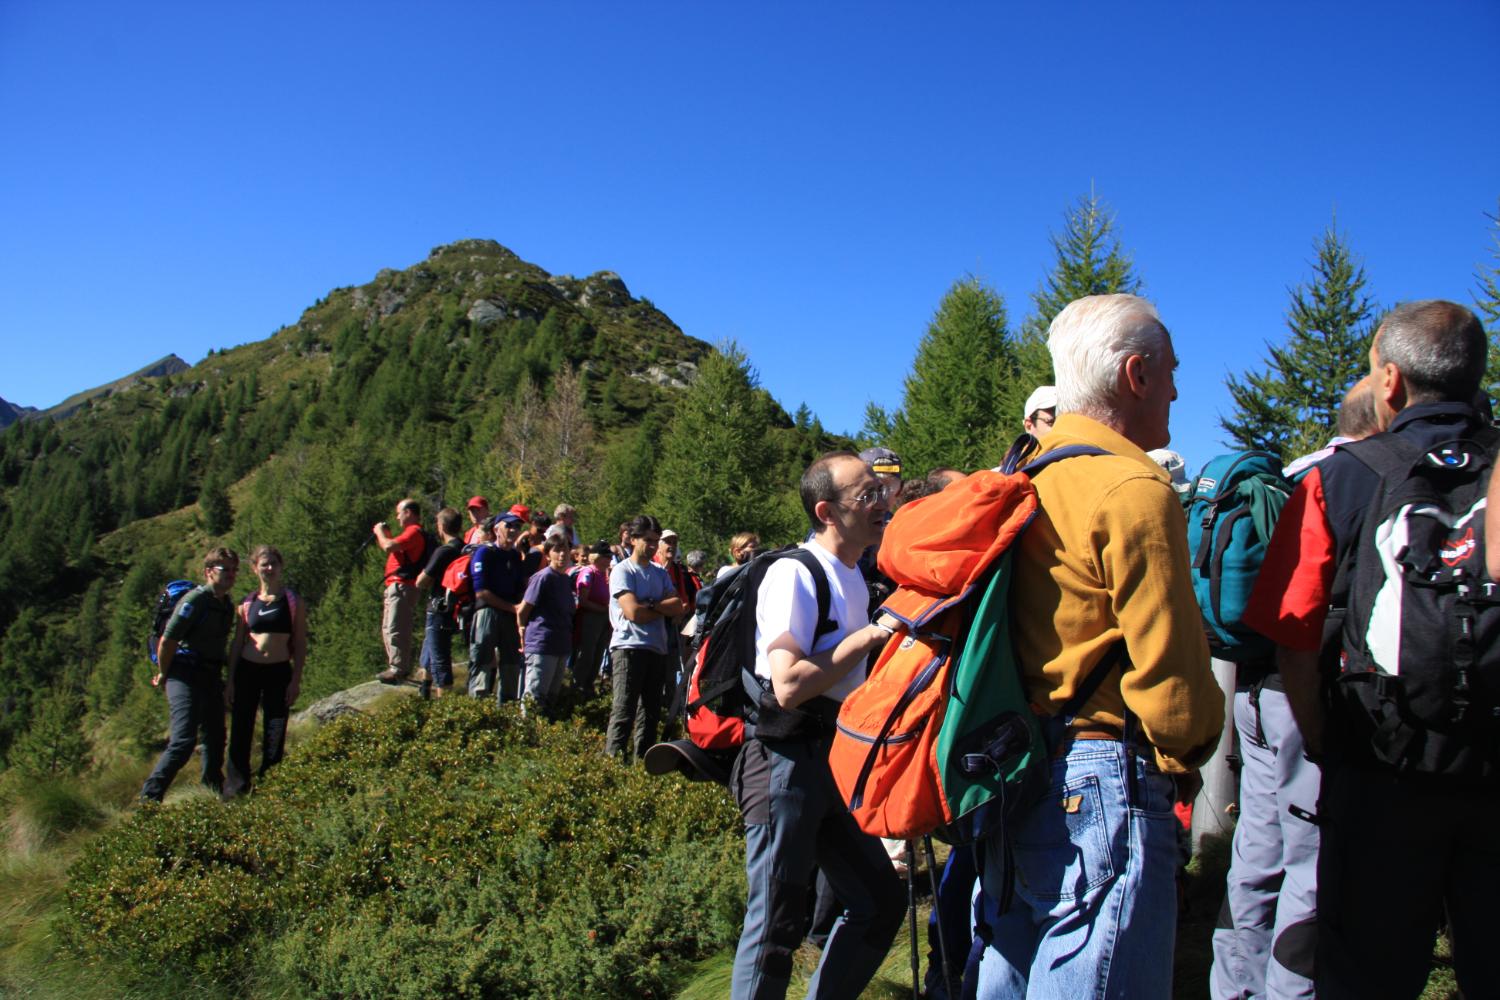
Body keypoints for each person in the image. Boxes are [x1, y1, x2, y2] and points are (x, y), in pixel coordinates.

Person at [1242, 300, 1498, 999]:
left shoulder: (1340, 477)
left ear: (1390, 383)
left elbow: (1292, 635)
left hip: (1381, 763)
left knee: (1365, 973)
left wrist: (1325, 739)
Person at [974, 295, 1224, 999]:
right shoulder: (1133, 488)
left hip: (1017, 762)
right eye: (1171, 372)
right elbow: (1172, 674)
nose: (1177, 389)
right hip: (1104, 774)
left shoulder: (1026, 474)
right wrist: (1184, 756)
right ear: (1137, 374)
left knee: (1012, 967)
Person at [1208, 378, 1378, 1000]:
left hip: (1252, 689)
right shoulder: (1351, 481)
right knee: (1309, 860)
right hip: (1301, 695)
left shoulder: (1293, 475)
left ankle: (1234, 987)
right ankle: (1291, 991)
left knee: (1256, 854)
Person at [730, 451, 905, 1000]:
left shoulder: (854, 574)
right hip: (783, 763)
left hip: (830, 758)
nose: (882, 503)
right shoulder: (794, 574)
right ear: (827, 511)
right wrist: (867, 637)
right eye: (867, 495)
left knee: (881, 901)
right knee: (775, 926)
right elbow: (785, 684)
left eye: (882, 491)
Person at [141, 547, 240, 802]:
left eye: (234, 570)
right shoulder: (195, 601)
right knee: (183, 741)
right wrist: (164, 673)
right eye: (224, 569)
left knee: (216, 736)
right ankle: (149, 799)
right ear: (208, 572)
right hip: (183, 673)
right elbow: (168, 640)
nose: (230, 575)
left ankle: (212, 789)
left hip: (210, 674)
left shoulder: (226, 605)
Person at [224, 545, 306, 798]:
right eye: (264, 564)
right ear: (254, 568)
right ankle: (235, 788)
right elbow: (238, 643)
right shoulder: (247, 603)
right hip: (248, 670)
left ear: (281, 568)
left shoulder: (292, 602)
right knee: (241, 728)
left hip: (279, 672)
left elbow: (300, 641)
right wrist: (230, 681)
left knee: (275, 728)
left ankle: (270, 784)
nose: (269, 568)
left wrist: (296, 679)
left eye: (273, 564)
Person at [604, 515, 685, 761]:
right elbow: (632, 612)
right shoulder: (622, 570)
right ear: (634, 539)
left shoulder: (660, 573)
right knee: (624, 708)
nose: (652, 546)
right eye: (648, 540)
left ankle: (644, 762)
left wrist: (649, 603)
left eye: (655, 541)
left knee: (650, 711)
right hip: (629, 646)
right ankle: (613, 760)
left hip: (656, 648)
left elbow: (678, 606)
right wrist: (659, 607)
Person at [468, 512, 527, 702]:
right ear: (496, 529)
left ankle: (507, 708)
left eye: (517, 527)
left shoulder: (516, 556)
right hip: (488, 612)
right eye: (508, 526)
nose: (513, 530)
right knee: (482, 660)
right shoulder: (485, 553)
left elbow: (520, 587)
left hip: (510, 615)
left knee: (511, 663)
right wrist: (514, 608)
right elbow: (481, 592)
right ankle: (478, 707)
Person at [517, 536, 575, 715]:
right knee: (535, 697)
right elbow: (523, 610)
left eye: (565, 549)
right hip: (542, 644)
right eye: (557, 550)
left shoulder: (565, 579)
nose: (562, 554)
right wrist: (522, 631)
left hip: (561, 644)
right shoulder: (543, 577)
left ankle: (544, 738)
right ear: (548, 555)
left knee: (551, 697)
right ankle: (526, 734)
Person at [414, 507, 466, 699]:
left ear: (441, 526)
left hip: (439, 608)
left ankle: (444, 707)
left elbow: (422, 581)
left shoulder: (444, 551)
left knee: (439, 659)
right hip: (456, 607)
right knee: (429, 653)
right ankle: (424, 692)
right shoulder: (464, 547)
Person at [375, 499, 428, 684]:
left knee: (396, 627)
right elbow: (396, 547)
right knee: (389, 627)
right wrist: (388, 535)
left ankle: (398, 669)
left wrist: (379, 532)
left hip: (402, 585)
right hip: (397, 585)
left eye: (399, 512)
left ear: (409, 512)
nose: (397, 516)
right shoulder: (410, 533)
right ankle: (396, 667)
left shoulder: (414, 531)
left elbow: (389, 546)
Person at [571, 542, 614, 699]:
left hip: (603, 618)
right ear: (597, 557)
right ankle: (578, 687)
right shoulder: (588, 572)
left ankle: (588, 687)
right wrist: (603, 609)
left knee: (598, 654)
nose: (609, 559)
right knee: (587, 654)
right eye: (606, 557)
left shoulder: (605, 574)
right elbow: (583, 600)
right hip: (590, 617)